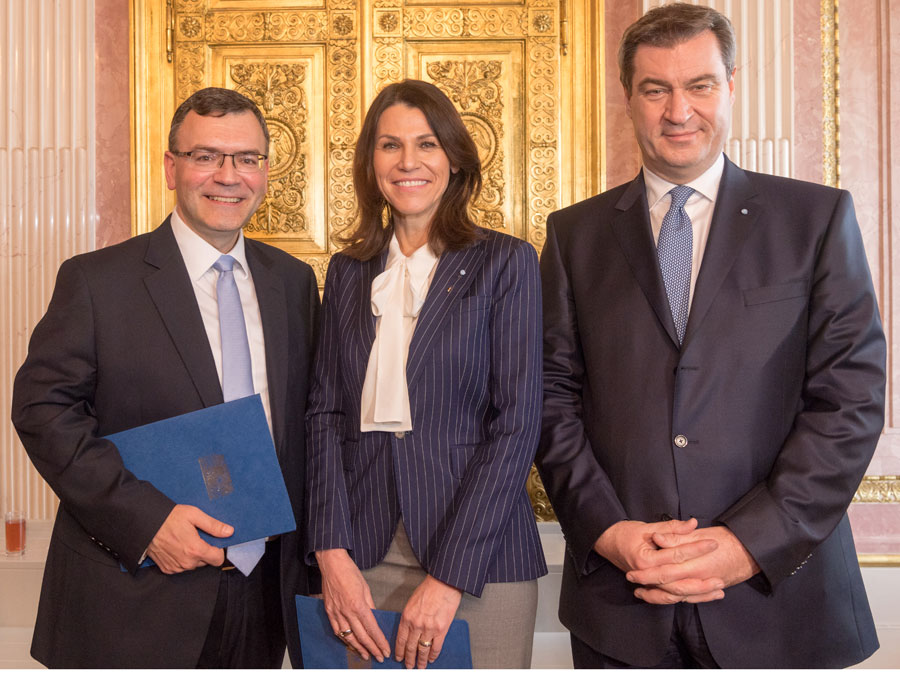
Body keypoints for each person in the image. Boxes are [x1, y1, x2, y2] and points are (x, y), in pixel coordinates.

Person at [537, 3, 884, 669]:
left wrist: (749, 542)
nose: (678, 111)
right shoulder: (572, 236)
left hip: (779, 599)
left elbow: (851, 400)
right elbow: (551, 399)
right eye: (655, 88)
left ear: (731, 86)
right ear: (628, 97)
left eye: (699, 85)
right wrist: (610, 533)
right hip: (623, 602)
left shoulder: (815, 219)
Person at [11, 87, 320, 668]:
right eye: (206, 156)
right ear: (171, 167)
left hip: (264, 600)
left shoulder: (294, 283)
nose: (228, 176)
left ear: (266, 172)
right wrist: (147, 522)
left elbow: (305, 428)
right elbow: (43, 412)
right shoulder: (97, 281)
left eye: (246, 158)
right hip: (130, 597)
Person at [305, 79, 546, 669]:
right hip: (360, 555)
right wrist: (330, 554)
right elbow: (324, 415)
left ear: (454, 160)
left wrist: (449, 578)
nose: (408, 161)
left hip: (480, 560)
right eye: (390, 146)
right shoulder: (347, 272)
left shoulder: (506, 263)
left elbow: (517, 426)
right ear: (370, 163)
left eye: (427, 144)